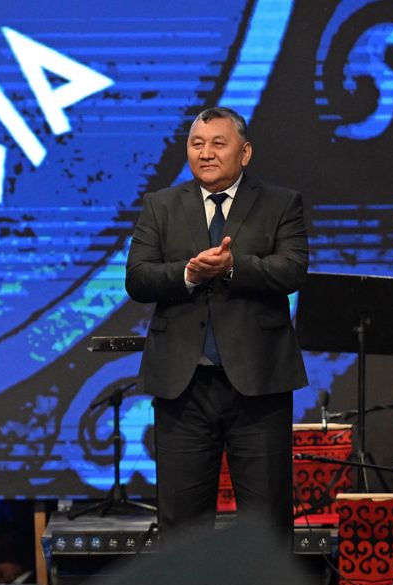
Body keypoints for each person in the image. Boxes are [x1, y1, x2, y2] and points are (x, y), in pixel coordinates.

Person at [125, 107, 308, 548]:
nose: (205, 153)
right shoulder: (161, 205)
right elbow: (138, 278)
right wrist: (188, 273)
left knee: (266, 524)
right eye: (197, 144)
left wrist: (232, 267)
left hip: (259, 384)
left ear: (245, 153)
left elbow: (292, 269)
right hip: (183, 387)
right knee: (182, 528)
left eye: (217, 144)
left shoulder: (280, 203)